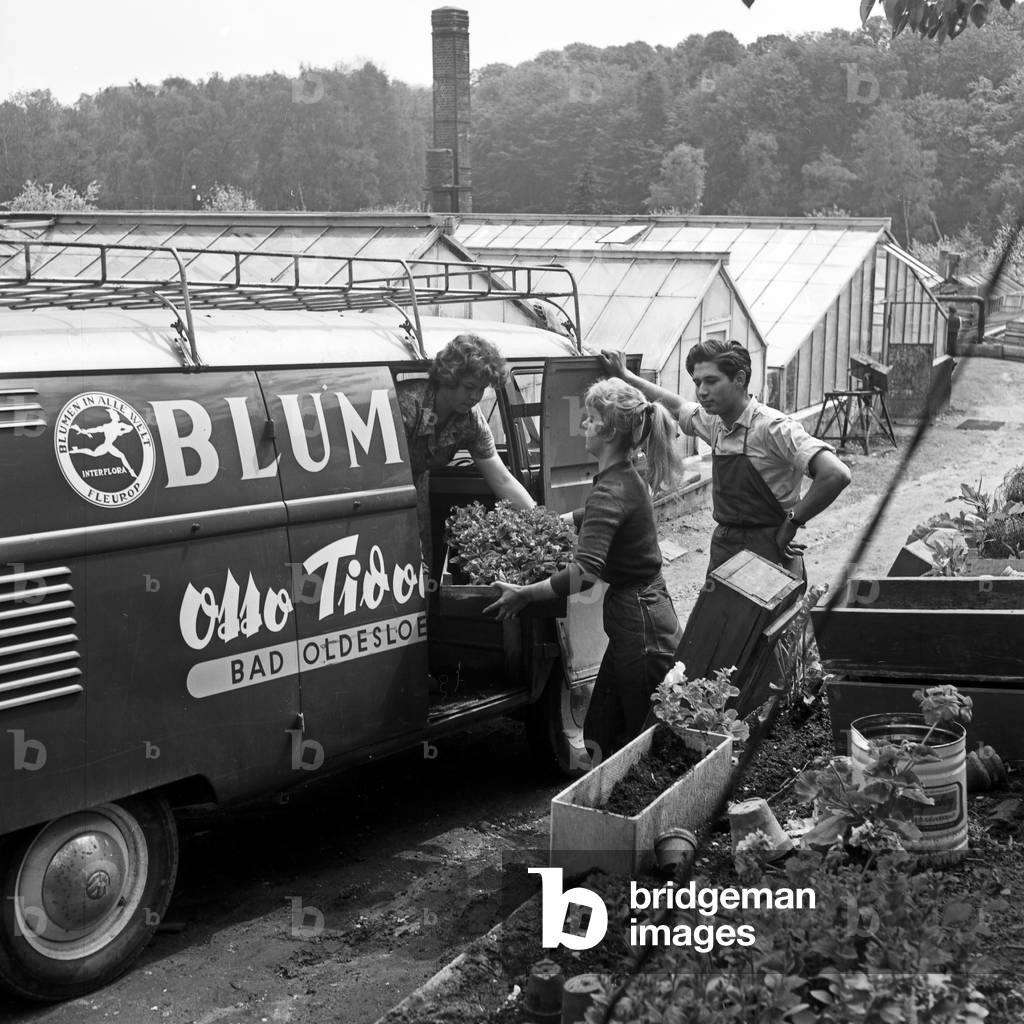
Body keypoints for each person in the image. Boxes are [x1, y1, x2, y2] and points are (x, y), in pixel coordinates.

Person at [485, 378, 684, 764]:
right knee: (602, 730)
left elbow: (584, 574)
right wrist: (551, 521)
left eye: (590, 419)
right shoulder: (624, 476)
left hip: (640, 621)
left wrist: (527, 593)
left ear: (608, 431)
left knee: (642, 739)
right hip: (642, 611)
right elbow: (599, 514)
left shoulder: (612, 489)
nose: (583, 427)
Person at [601, 341, 851, 576]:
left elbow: (835, 474)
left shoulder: (773, 427)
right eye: (697, 382)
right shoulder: (715, 423)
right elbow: (677, 406)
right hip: (726, 548)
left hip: (768, 551)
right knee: (714, 621)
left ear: (739, 379)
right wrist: (626, 376)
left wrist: (792, 523)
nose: (702, 391)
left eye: (711, 381)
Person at [397, 334, 535, 568]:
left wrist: (540, 521)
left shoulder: (470, 419)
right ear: (448, 378)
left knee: (420, 567)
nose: (474, 397)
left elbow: (501, 479)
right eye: (469, 387)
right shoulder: (407, 405)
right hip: (387, 492)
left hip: (417, 491)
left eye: (481, 390)